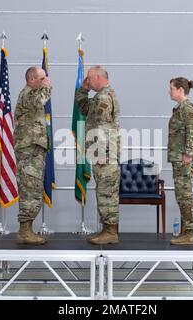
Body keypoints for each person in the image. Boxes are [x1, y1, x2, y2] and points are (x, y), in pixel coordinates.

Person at [76, 66, 121, 245]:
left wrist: (101, 152)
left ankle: (111, 232)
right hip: (103, 152)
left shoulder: (103, 97)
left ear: (98, 77)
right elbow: (85, 110)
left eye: (89, 78)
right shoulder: (100, 96)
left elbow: (102, 127)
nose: (87, 81)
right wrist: (83, 91)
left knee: (107, 192)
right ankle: (107, 229)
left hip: (105, 153)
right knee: (103, 191)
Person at [13, 66, 52, 245]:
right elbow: (39, 101)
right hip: (28, 150)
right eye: (42, 78)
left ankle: (27, 229)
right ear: (31, 80)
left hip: (34, 149)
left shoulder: (32, 94)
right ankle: (24, 231)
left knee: (35, 189)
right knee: (29, 189)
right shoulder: (27, 94)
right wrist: (47, 87)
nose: (46, 81)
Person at [167, 77, 193, 245]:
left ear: (180, 90)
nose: (169, 92)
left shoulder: (187, 109)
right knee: (182, 196)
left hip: (184, 160)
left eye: (171, 88)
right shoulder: (180, 109)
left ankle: (189, 233)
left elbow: (192, 132)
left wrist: (187, 154)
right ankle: (186, 231)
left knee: (185, 196)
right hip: (179, 159)